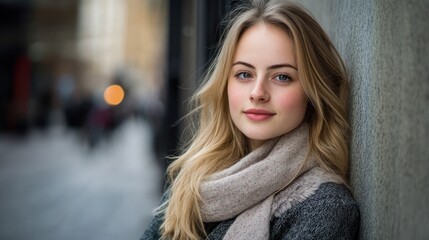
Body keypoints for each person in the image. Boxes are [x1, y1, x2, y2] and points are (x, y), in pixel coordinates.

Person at [141, 0, 359, 239]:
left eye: (282, 77)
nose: (257, 92)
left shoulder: (324, 206)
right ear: (225, 83)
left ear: (313, 92)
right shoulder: (192, 180)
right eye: (244, 74)